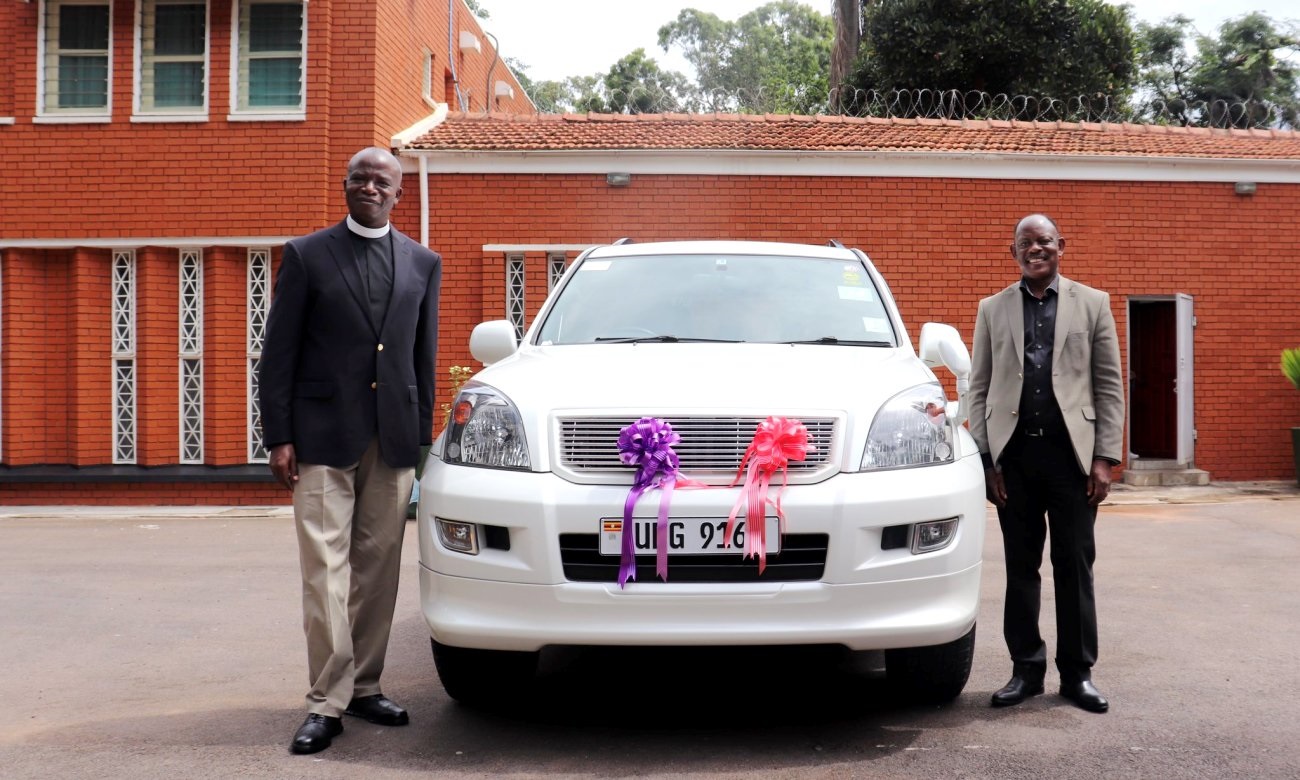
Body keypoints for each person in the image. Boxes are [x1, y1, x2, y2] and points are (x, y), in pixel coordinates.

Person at [259, 147, 441, 753]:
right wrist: (278, 435)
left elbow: (422, 358)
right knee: (325, 572)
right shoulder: (307, 255)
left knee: (378, 571)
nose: (368, 185)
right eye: (358, 177)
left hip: (390, 440)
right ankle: (326, 701)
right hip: (319, 437)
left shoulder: (422, 262)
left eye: (380, 179)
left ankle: (365, 687)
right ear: (344, 186)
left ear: (397, 193)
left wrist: (419, 443)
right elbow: (277, 353)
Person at [968, 214, 1124, 714]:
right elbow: (979, 387)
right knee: (1020, 567)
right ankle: (1025, 670)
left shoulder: (1093, 304)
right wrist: (986, 458)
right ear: (1013, 251)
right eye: (1025, 243)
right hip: (1014, 459)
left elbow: (1108, 386)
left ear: (1061, 245)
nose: (1035, 249)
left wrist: (1104, 458)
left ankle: (1077, 675)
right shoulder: (992, 309)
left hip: (1072, 460)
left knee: (1074, 566)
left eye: (1044, 242)